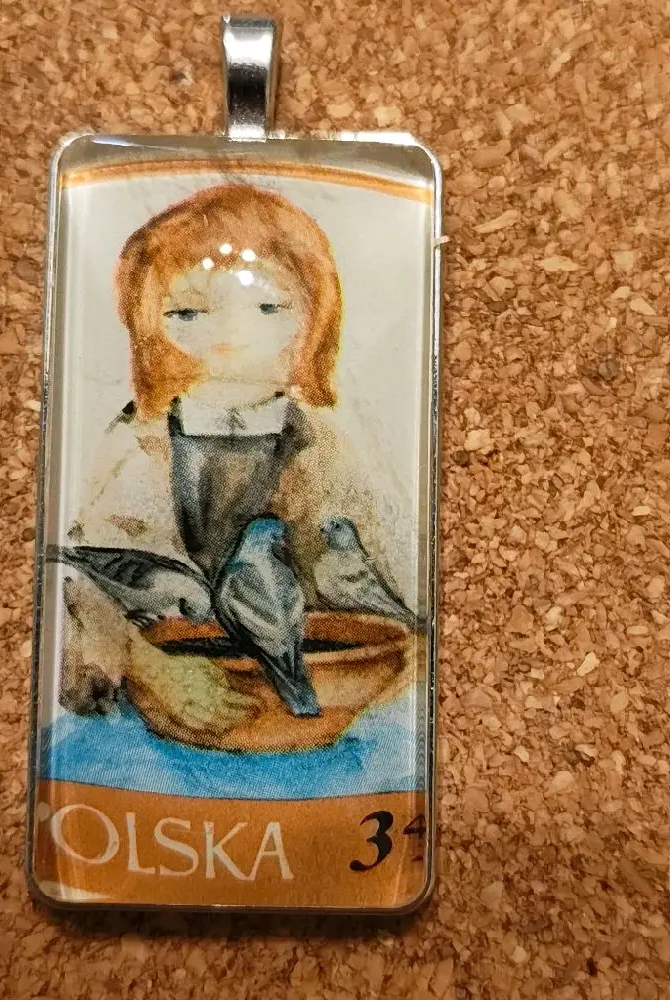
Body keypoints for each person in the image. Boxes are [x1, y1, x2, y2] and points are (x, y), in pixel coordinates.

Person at [57, 183, 411, 737]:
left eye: (269, 308)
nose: (231, 335)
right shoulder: (132, 445)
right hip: (157, 716)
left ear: (315, 318)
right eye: (188, 312)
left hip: (321, 706)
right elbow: (78, 587)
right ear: (148, 323)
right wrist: (151, 668)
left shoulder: (327, 447)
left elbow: (395, 595)